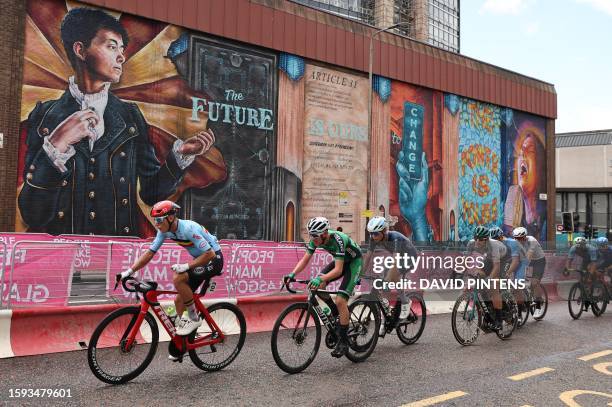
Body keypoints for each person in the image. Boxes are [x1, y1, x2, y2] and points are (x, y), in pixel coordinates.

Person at [18, 7, 214, 236]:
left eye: (122, 48)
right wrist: (56, 144)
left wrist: (179, 157)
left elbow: (150, 194)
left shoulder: (130, 115)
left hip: (119, 253)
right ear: (81, 50)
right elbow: (32, 213)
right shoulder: (45, 116)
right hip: (65, 258)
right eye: (111, 46)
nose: (121, 56)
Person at [118, 201, 223, 358]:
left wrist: (186, 266)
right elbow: (149, 253)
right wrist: (129, 271)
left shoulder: (188, 228)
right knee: (178, 301)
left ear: (171, 217)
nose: (157, 224)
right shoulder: (165, 231)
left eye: (159, 220)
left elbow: (210, 254)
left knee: (179, 278)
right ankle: (184, 343)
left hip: (214, 260)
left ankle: (194, 318)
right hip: (202, 259)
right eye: (155, 221)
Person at [284, 217, 362, 358]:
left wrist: (320, 277)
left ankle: (343, 342)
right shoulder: (316, 239)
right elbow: (305, 259)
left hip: (353, 263)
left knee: (340, 300)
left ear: (325, 233)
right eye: (310, 235)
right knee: (318, 286)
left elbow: (338, 270)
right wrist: (292, 273)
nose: (312, 238)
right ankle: (335, 314)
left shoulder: (338, 239)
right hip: (342, 261)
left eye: (314, 236)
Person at [363, 216, 418, 336]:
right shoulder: (374, 239)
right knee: (382, 282)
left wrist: (387, 280)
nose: (373, 237)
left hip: (410, 257)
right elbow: (367, 257)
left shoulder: (395, 238)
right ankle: (386, 317)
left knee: (392, 276)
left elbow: (395, 261)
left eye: (376, 234)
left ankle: (405, 301)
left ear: (384, 231)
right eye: (371, 234)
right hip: (397, 258)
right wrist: (360, 274)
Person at [466, 225, 510, 330]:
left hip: (504, 258)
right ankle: (490, 309)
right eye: (476, 238)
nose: (477, 241)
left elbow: (496, 267)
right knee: (479, 279)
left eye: (481, 239)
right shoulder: (471, 243)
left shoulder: (493, 245)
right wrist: (458, 274)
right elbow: (466, 260)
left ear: (486, 240)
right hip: (489, 258)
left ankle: (499, 320)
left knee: (493, 286)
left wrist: (489, 279)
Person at [489, 226, 528, 311]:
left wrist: (508, 273)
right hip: (508, 260)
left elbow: (516, 262)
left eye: (497, 239)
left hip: (520, 261)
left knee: (516, 286)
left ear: (501, 237)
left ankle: (521, 308)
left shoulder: (512, 243)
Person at [513, 226, 546, 308]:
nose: (518, 240)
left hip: (539, 261)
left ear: (525, 237)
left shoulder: (532, 240)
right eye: (516, 238)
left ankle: (538, 301)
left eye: (520, 238)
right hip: (527, 260)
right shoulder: (515, 242)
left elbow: (528, 257)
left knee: (534, 282)